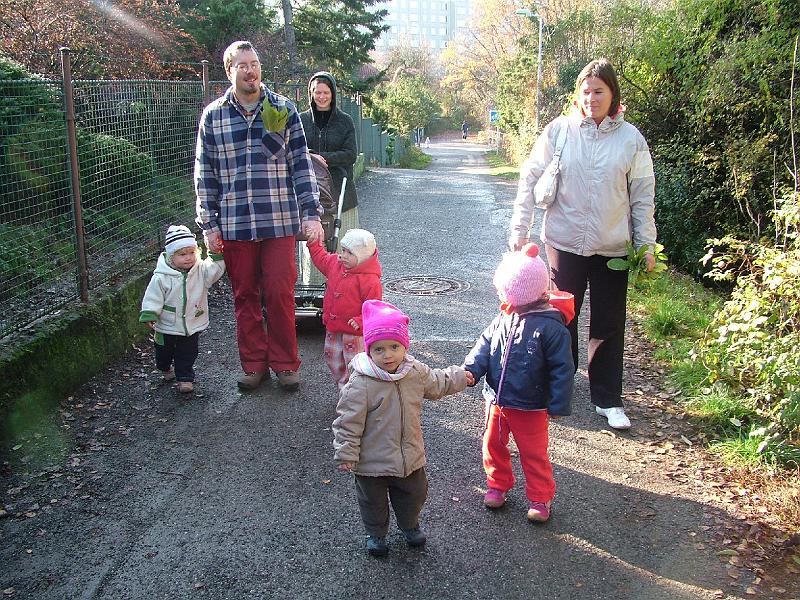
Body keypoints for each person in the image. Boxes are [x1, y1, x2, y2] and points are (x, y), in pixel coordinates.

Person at [508, 58, 657, 430]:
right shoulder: (559, 130)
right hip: (563, 241)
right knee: (560, 319)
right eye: (585, 91)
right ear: (578, 95)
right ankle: (559, 388)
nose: (591, 98)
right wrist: (519, 230)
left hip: (613, 247)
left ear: (612, 94)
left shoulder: (631, 140)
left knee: (608, 322)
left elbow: (642, 196)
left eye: (599, 91)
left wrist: (647, 244)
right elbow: (529, 178)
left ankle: (608, 399)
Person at [195, 40, 323, 392]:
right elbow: (205, 173)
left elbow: (301, 163)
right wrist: (209, 224)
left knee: (280, 291)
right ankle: (254, 364)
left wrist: (311, 214)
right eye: (243, 65)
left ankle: (284, 363)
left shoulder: (282, 109)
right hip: (235, 223)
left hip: (279, 218)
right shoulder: (214, 116)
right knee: (245, 295)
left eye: (255, 64)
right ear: (229, 71)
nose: (251, 71)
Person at [332, 300, 473, 557]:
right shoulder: (361, 383)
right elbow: (347, 421)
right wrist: (346, 453)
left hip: (409, 457)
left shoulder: (414, 372)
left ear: (404, 346)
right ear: (368, 350)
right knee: (372, 501)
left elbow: (437, 382)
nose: (388, 355)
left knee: (414, 494)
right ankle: (376, 534)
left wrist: (461, 376)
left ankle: (409, 525)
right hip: (371, 462)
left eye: (394, 347)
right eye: (379, 349)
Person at [464, 243, 573, 523]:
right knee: (493, 444)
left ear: (519, 292)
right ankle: (497, 483)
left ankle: (540, 496)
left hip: (531, 405)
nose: (499, 294)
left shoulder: (551, 328)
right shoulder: (505, 316)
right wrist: (472, 369)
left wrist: (558, 402)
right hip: (497, 400)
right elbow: (485, 345)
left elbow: (563, 368)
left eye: (503, 289)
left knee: (533, 453)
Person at [139, 225, 226, 394]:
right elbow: (153, 296)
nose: (188, 258)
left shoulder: (200, 271)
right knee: (163, 352)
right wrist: (150, 312)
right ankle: (164, 367)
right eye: (182, 254)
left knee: (188, 351)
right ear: (171, 256)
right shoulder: (162, 276)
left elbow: (214, 270)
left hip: (191, 323)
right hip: (167, 324)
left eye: (191, 253)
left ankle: (185, 377)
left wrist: (216, 255)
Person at [307, 228, 383, 389]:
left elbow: (374, 307)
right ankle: (344, 385)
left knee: (355, 363)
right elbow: (321, 259)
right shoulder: (336, 264)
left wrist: (361, 321)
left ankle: (355, 391)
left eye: (350, 253)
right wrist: (314, 244)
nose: (343, 256)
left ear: (362, 257)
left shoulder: (369, 279)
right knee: (332, 357)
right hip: (334, 327)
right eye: (343, 250)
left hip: (354, 332)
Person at [299, 72, 359, 241]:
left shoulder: (345, 121)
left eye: (326, 92)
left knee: (344, 246)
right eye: (317, 92)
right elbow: (295, 151)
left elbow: (351, 154)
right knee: (314, 247)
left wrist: (323, 158)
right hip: (311, 194)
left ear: (332, 93)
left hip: (341, 192)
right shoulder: (301, 120)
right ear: (311, 93)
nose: (322, 97)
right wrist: (312, 157)